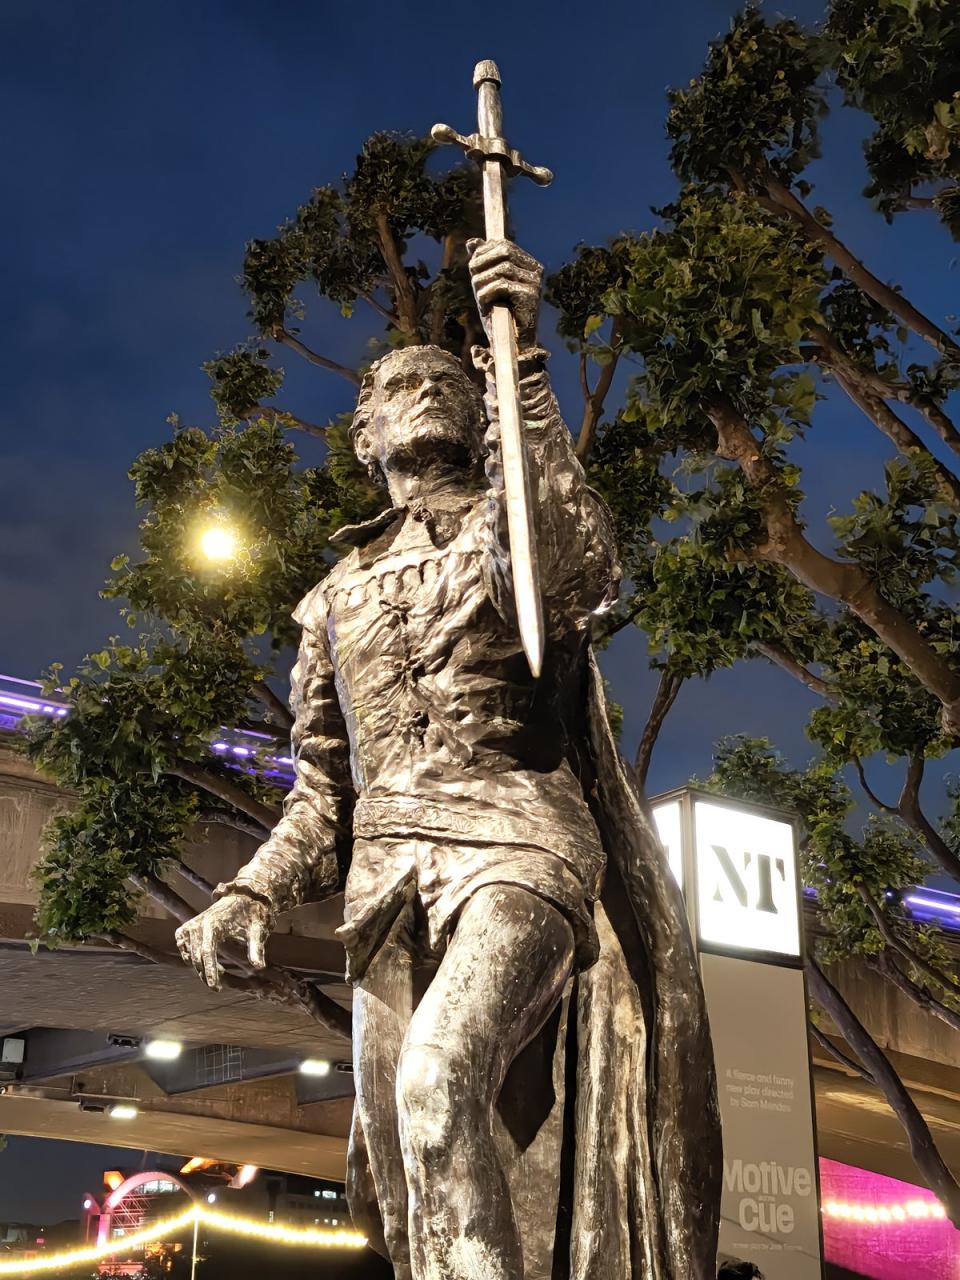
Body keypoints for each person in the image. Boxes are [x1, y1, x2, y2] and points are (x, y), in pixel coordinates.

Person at [176, 238, 719, 1280]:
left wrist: (524, 375)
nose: (426, 389)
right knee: (404, 1181)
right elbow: (323, 790)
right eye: (398, 382)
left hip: (518, 842)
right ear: (363, 430)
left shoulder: (509, 528)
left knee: (437, 1081)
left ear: (474, 419)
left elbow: (576, 567)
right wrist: (248, 892)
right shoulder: (330, 597)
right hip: (387, 883)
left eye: (446, 379)